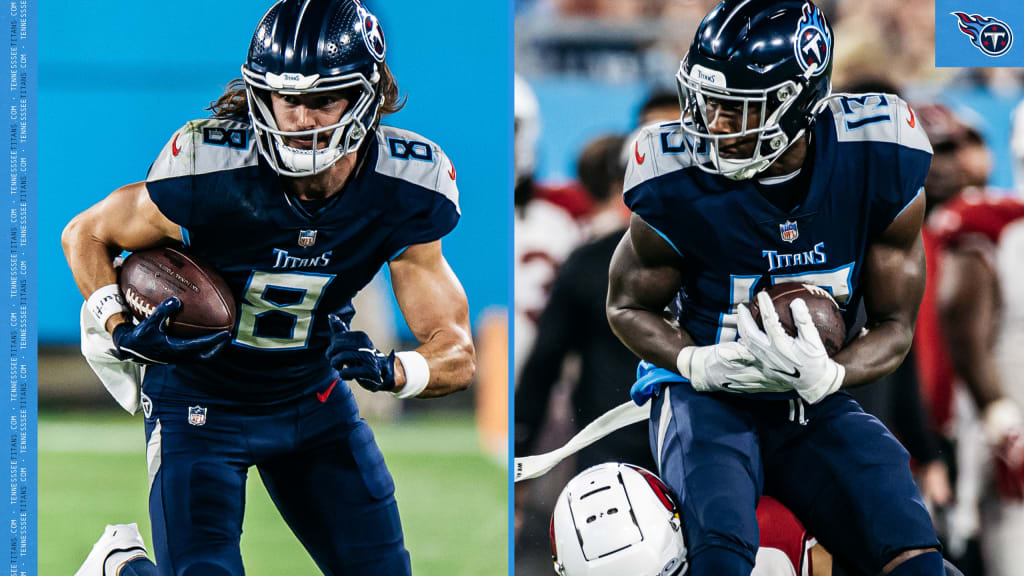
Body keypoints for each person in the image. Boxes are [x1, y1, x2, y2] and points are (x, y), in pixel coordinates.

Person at [62, 1, 475, 574]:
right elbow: (86, 234)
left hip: (312, 400)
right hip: (198, 402)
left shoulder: (405, 185)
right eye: (288, 100)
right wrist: (120, 327)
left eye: (322, 99)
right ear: (263, 96)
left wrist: (394, 370)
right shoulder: (211, 167)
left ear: (367, 95)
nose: (302, 120)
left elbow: (456, 350)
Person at [605, 1, 942, 574]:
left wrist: (833, 373)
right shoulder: (674, 178)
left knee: (908, 540)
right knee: (721, 546)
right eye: (705, 103)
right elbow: (626, 305)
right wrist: (695, 361)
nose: (711, 124)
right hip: (704, 398)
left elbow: (896, 328)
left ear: (797, 103)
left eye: (735, 109)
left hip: (810, 399)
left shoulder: (876, 157)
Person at [913, 102, 1024, 576]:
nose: (945, 163)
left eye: (953, 148)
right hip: (976, 438)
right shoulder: (985, 226)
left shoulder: (994, 220)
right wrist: (1002, 424)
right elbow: (955, 335)